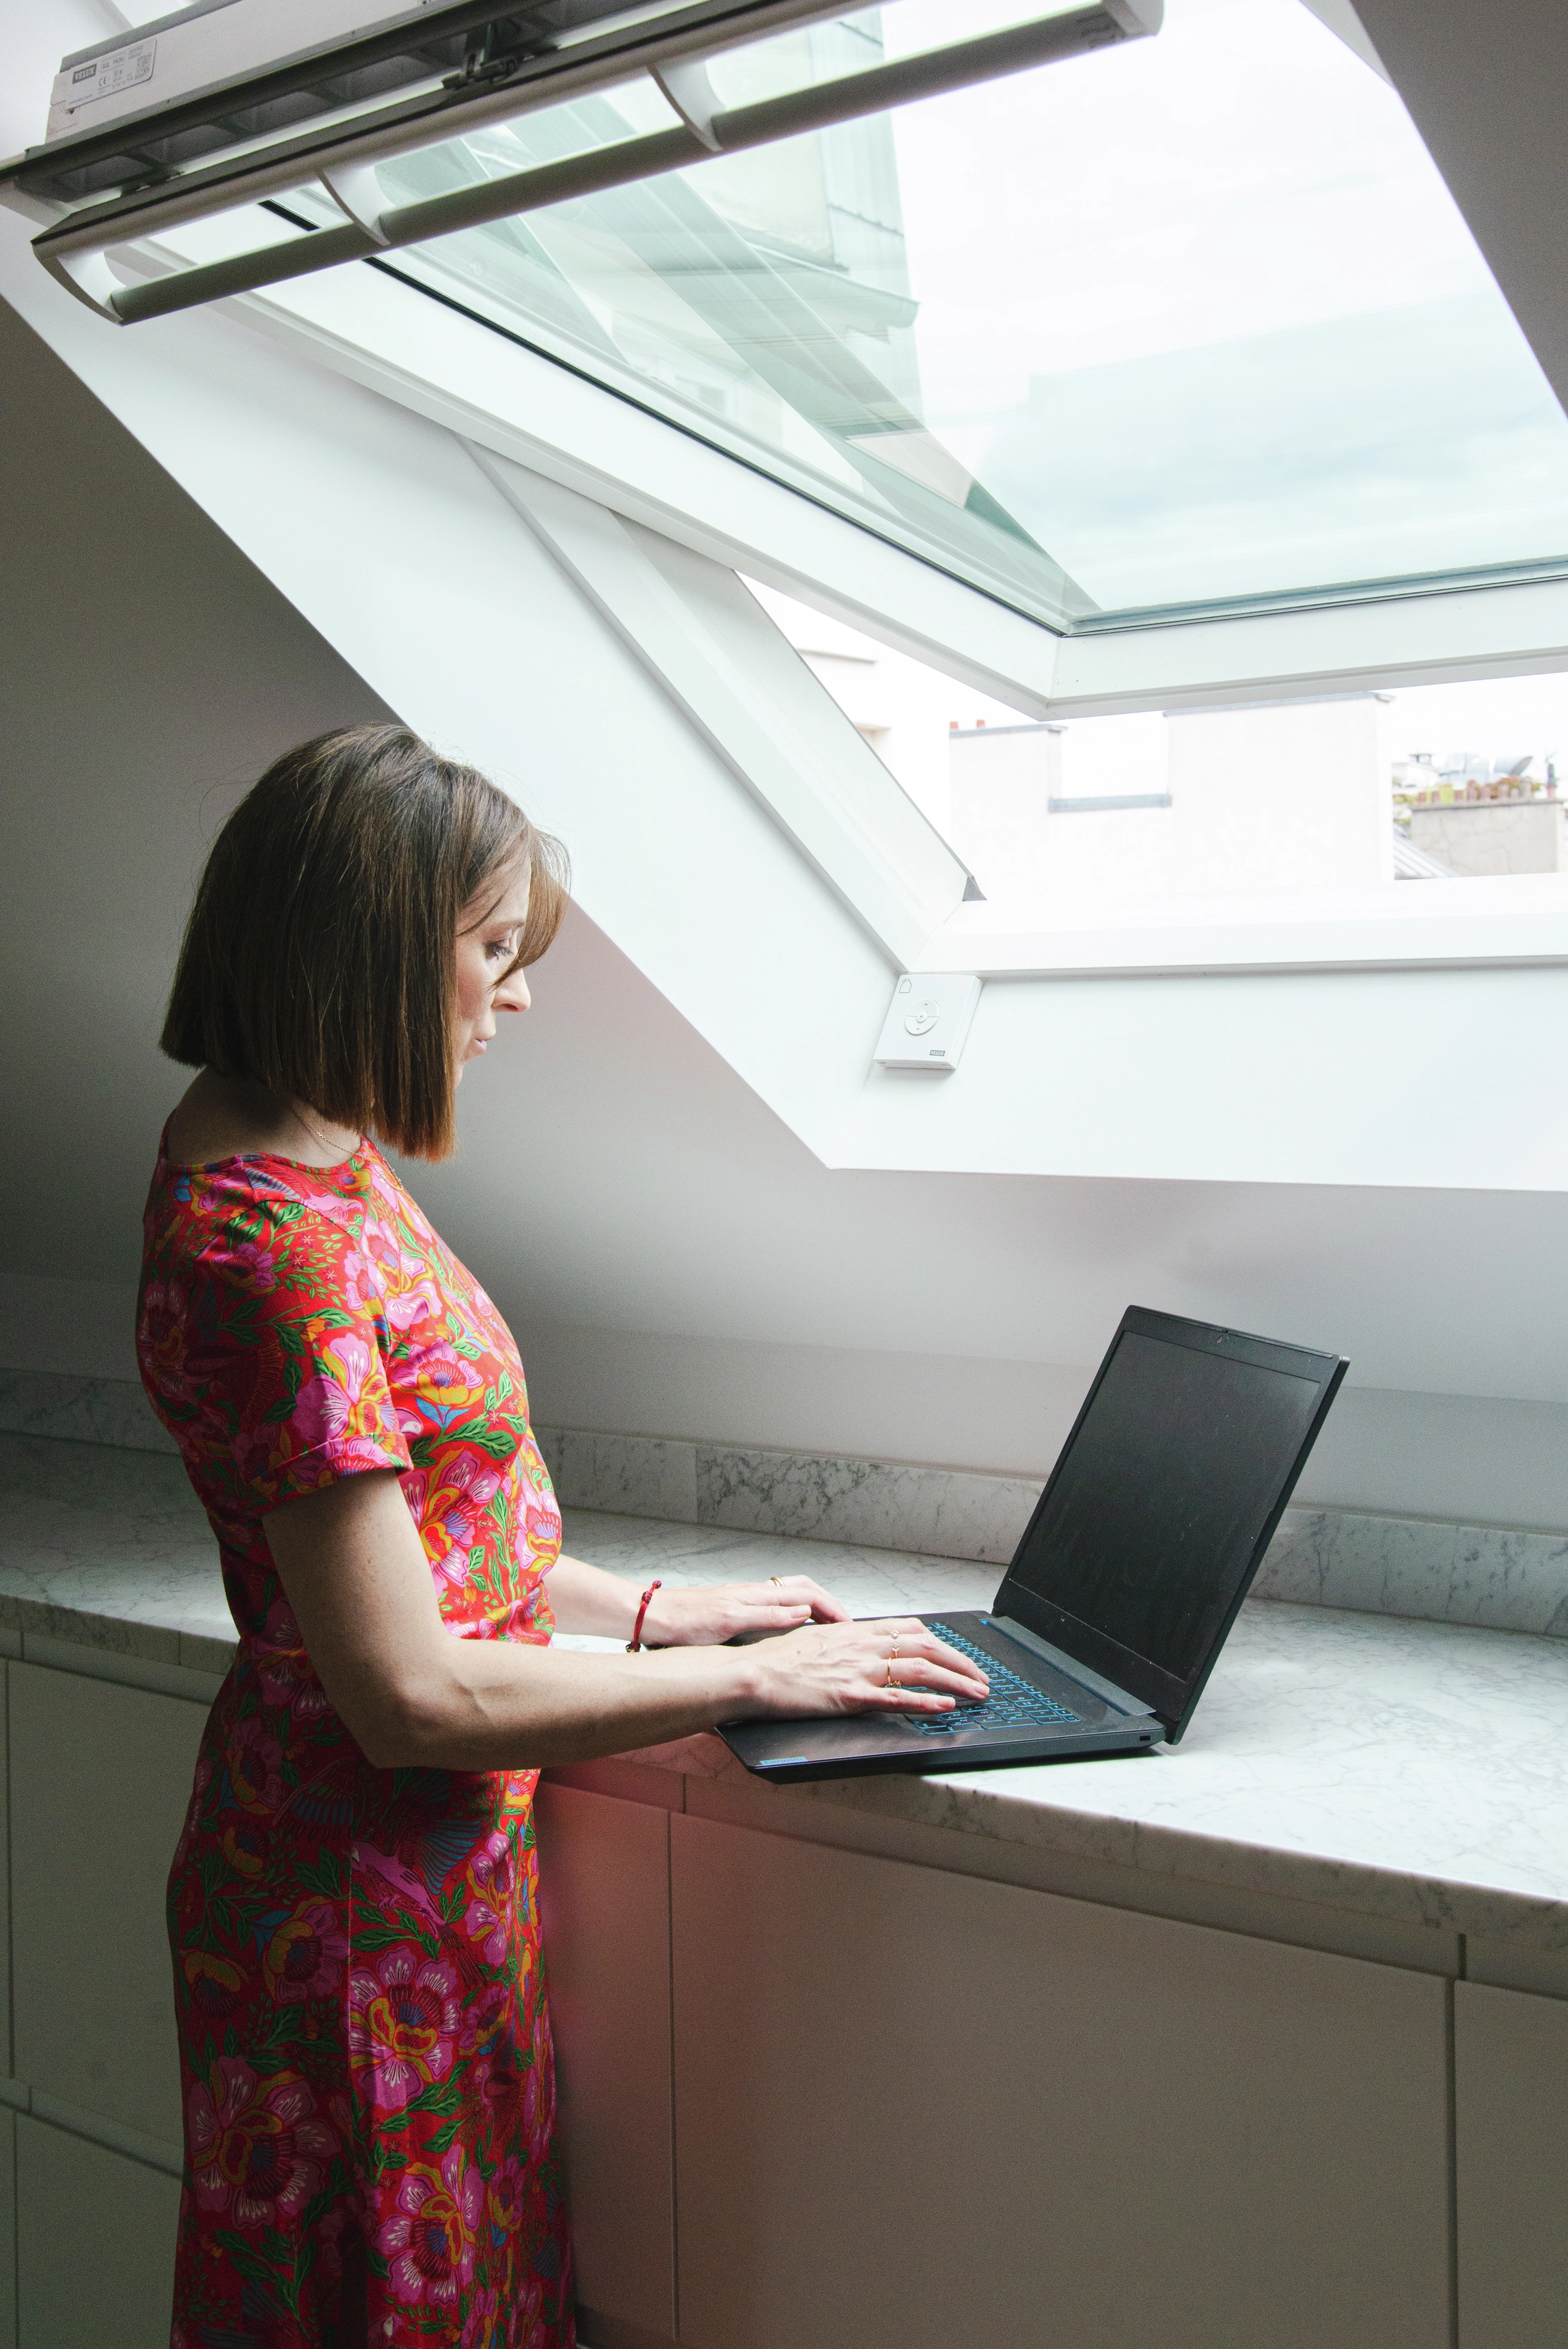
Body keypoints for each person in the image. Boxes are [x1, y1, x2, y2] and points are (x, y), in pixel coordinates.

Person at [137, 722, 987, 2349]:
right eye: (491, 946)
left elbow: (440, 1517)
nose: (514, 991)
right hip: (352, 1915)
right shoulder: (274, 1250)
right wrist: (765, 1681)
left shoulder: (316, 1151)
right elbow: (411, 1694)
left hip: (418, 1888)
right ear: (373, 944)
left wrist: (664, 1609)